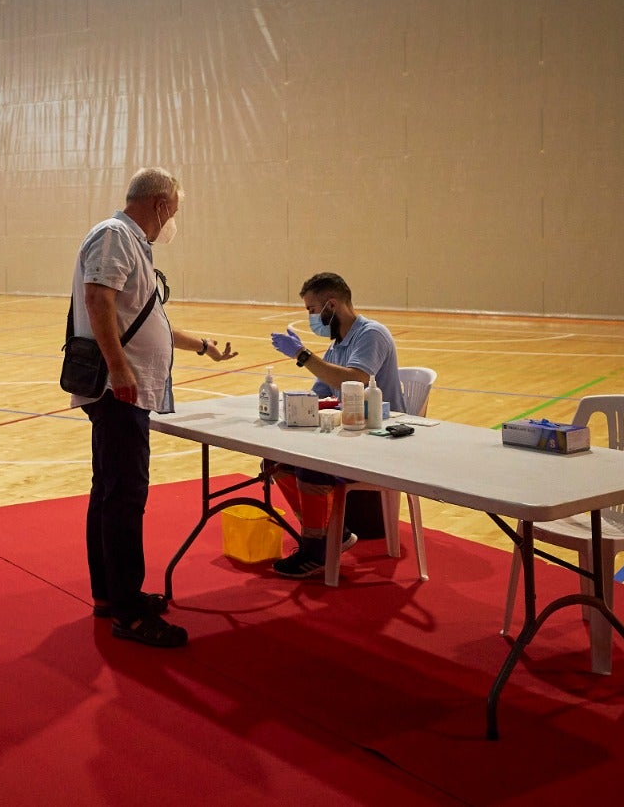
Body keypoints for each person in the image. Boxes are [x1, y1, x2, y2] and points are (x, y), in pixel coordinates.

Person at [71, 167, 237, 648]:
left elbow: (149, 318)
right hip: (118, 391)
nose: (173, 223)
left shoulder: (130, 245)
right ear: (160, 204)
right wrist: (119, 369)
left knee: (110, 492)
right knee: (124, 499)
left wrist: (203, 346)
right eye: (174, 212)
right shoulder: (115, 236)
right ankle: (128, 611)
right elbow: (98, 299)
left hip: (127, 389)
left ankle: (112, 595)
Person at [268, 272, 403, 580]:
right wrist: (289, 406)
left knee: (312, 468)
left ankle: (316, 547)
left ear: (332, 305)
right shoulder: (337, 344)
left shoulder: (372, 334)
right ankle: (331, 533)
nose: (311, 318)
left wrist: (303, 355)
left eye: (312, 310)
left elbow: (354, 380)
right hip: (350, 434)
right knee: (277, 460)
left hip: (381, 435)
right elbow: (320, 393)